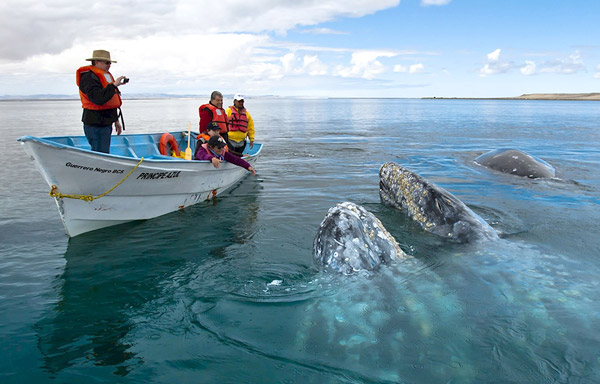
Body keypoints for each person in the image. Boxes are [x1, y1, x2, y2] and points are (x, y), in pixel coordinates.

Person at [76, 49, 128, 153]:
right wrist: (113, 85)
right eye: (107, 62)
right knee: (100, 153)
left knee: (103, 152)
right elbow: (97, 98)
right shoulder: (88, 77)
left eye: (110, 63)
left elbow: (109, 100)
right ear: (96, 62)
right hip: (95, 124)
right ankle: (100, 169)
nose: (109, 65)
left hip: (105, 123)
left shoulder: (105, 76)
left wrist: (115, 120)